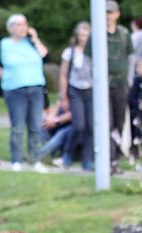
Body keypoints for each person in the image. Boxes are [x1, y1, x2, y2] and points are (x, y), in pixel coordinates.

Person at [0, 14, 49, 173]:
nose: (22, 27)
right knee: (18, 126)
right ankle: (16, 160)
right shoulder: (3, 45)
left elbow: (46, 57)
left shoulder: (31, 44)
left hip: (36, 89)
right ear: (10, 28)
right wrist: (1, 72)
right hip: (14, 90)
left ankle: (35, 160)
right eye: (18, 25)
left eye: (24, 24)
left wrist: (36, 39)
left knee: (35, 126)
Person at [102, 1, 133, 174]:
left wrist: (128, 79)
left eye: (110, 12)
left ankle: (115, 157)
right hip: (103, 87)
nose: (107, 16)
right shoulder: (97, 34)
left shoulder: (123, 34)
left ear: (117, 14)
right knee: (107, 123)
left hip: (120, 85)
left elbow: (131, 57)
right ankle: (109, 159)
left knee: (119, 123)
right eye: (105, 12)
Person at [59, 22, 94, 171]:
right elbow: (63, 75)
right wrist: (63, 96)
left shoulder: (94, 51)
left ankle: (87, 158)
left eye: (86, 35)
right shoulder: (70, 52)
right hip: (75, 90)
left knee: (91, 126)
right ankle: (68, 153)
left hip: (91, 90)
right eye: (81, 35)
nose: (83, 38)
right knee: (78, 125)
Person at [37, 98, 73, 165]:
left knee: (62, 133)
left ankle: (40, 155)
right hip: (59, 121)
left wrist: (56, 121)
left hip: (73, 125)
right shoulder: (65, 91)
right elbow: (59, 101)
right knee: (43, 123)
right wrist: (50, 118)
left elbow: (75, 114)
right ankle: (38, 150)